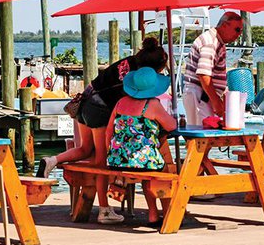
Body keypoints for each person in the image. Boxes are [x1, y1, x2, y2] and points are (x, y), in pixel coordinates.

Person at [36, 38, 168, 224]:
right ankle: (104, 210)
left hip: (85, 101)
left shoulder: (129, 61)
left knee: (85, 149)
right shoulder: (139, 77)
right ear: (154, 69)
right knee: (101, 161)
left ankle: (51, 160)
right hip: (100, 109)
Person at [105, 66, 177, 228]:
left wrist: (110, 154)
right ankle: (167, 213)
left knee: (147, 170)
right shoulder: (152, 104)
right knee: (164, 170)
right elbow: (172, 126)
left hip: (117, 159)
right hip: (143, 161)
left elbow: (109, 131)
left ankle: (153, 214)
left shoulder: (120, 103)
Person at [183, 11, 244, 125]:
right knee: (201, 139)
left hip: (202, 95)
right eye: (237, 29)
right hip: (201, 96)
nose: (239, 34)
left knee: (203, 138)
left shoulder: (215, 41)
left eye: (241, 31)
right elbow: (203, 74)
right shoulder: (211, 43)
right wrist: (216, 101)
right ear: (225, 25)